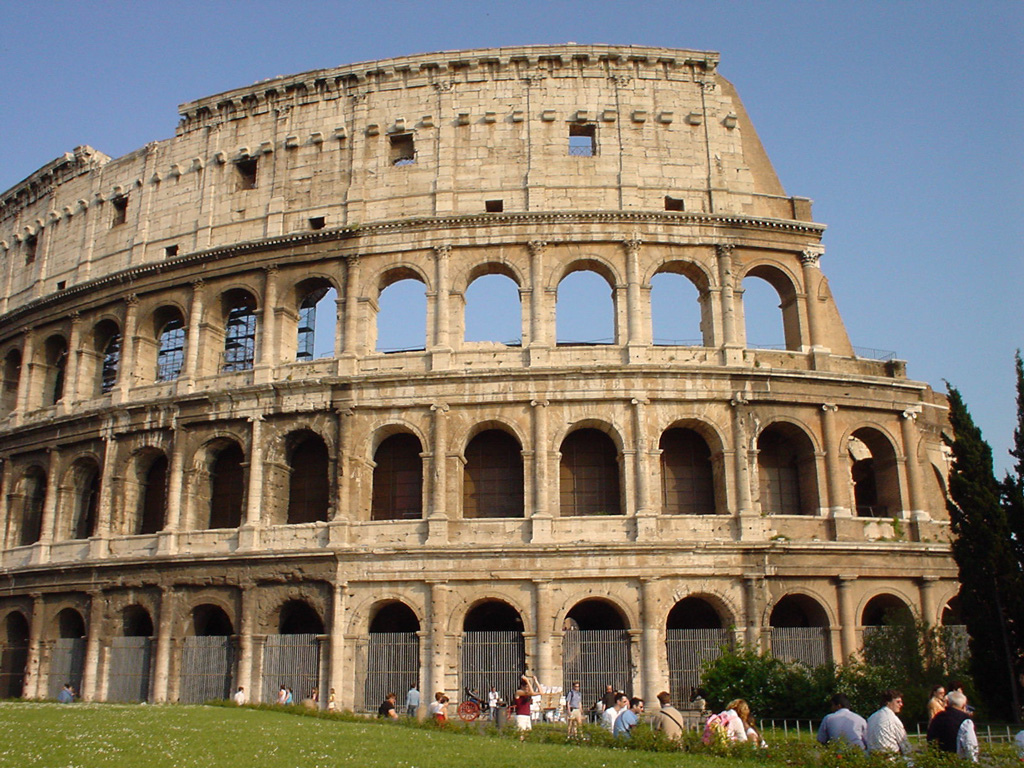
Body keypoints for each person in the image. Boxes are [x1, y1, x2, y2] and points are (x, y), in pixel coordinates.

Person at [927, 690, 977, 762]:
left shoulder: (937, 718)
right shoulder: (965, 720)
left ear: (947, 703)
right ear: (963, 705)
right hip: (957, 761)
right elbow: (970, 744)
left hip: (938, 760)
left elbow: (930, 739)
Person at [866, 689, 911, 757]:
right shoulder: (893, 719)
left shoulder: (872, 717)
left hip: (872, 758)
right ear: (888, 702)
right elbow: (905, 745)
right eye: (898, 702)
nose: (901, 704)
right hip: (890, 758)